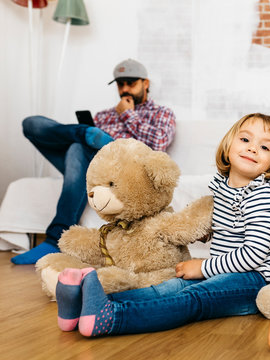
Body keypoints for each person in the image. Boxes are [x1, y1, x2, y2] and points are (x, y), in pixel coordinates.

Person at [55, 113, 270, 337]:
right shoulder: (224, 189)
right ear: (228, 145)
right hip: (225, 271)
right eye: (245, 139)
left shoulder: (262, 195)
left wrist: (203, 267)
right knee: (170, 287)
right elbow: (230, 229)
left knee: (194, 298)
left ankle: (114, 317)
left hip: (255, 280)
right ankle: (85, 306)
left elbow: (255, 254)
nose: (252, 148)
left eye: (265, 147)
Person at [12, 59, 176, 265]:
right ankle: (84, 133)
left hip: (123, 174)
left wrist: (127, 114)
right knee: (32, 124)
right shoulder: (104, 115)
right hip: (88, 167)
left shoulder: (161, 113)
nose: (124, 89)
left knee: (78, 147)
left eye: (131, 83)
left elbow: (157, 145)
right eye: (120, 84)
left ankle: (54, 239)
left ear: (146, 83)